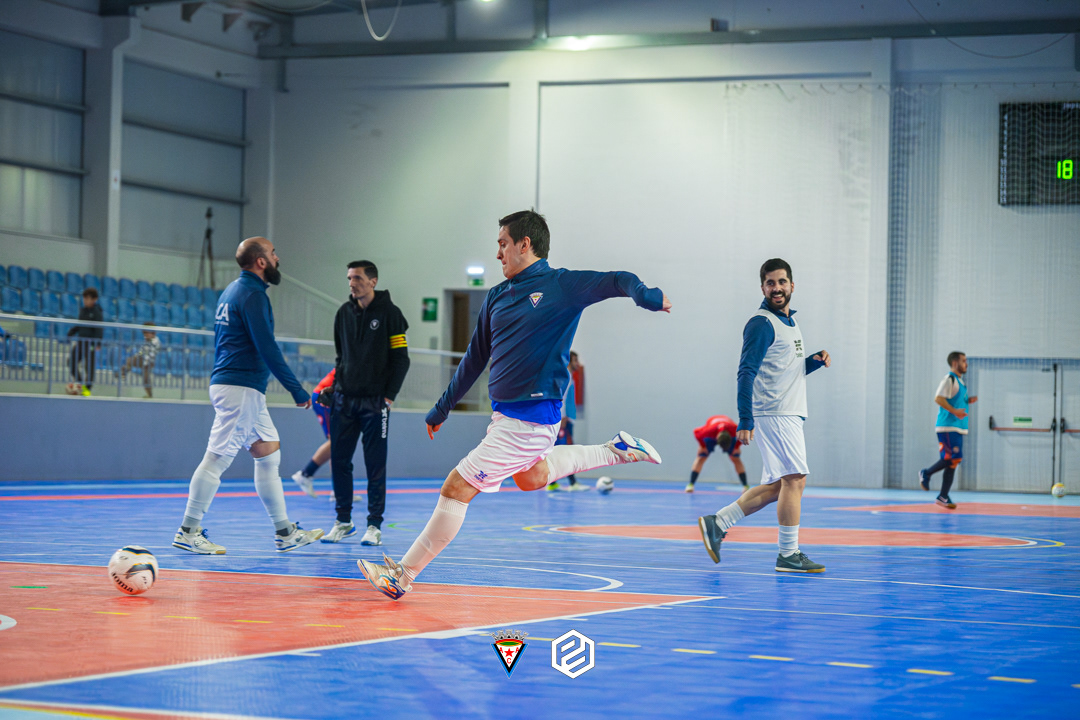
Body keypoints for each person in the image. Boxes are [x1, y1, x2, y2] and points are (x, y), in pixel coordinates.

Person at [356, 210, 671, 600]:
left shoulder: (563, 285)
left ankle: (402, 576)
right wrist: (443, 406)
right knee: (531, 478)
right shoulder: (496, 297)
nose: (498, 253)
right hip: (506, 416)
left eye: (503, 244)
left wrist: (646, 296)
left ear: (525, 244)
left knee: (457, 487)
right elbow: (474, 358)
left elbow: (617, 279)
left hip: (531, 419)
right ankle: (615, 450)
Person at [172, 236, 323, 555]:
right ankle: (188, 531)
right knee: (216, 459)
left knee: (268, 453)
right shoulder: (253, 295)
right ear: (261, 261)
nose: (278, 258)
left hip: (238, 386)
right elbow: (267, 347)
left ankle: (284, 532)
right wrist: (296, 389)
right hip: (240, 389)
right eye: (273, 253)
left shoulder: (231, 291)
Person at [698, 258, 831, 573]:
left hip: (786, 412)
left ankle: (718, 523)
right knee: (795, 479)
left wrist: (812, 362)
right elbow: (746, 372)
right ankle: (788, 554)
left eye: (782, 282)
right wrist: (745, 419)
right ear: (763, 288)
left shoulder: (790, 323)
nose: (777, 288)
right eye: (771, 283)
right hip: (775, 412)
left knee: (778, 486)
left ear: (792, 285)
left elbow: (786, 370)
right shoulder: (761, 323)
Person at [320, 260, 411, 546]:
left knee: (375, 465)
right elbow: (341, 358)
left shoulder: (391, 314)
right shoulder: (343, 313)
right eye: (349, 278)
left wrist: (388, 396)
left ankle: (374, 525)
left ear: (372, 281)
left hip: (375, 403)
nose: (352, 283)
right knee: (339, 462)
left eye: (357, 278)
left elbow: (401, 359)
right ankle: (343, 521)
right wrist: (335, 387)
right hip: (343, 402)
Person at [918, 351, 977, 509]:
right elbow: (938, 398)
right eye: (964, 361)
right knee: (952, 457)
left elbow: (955, 401)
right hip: (947, 426)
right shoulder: (949, 379)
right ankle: (926, 473)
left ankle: (943, 496)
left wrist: (967, 401)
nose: (966, 364)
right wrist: (955, 411)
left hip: (958, 427)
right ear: (955, 363)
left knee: (953, 461)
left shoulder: (960, 382)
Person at [290, 368, 336, 499]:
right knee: (336, 442)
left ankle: (338, 490)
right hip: (326, 396)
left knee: (339, 443)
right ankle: (305, 474)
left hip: (335, 398)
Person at [547, 351, 586, 492]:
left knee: (564, 451)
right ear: (569, 361)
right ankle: (570, 483)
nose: (578, 364)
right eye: (575, 360)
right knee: (566, 451)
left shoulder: (570, 377)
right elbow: (561, 398)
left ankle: (555, 482)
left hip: (568, 419)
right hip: (564, 420)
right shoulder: (566, 377)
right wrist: (562, 417)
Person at [685, 414, 747, 493]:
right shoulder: (708, 431)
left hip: (728, 433)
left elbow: (743, 435)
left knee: (735, 457)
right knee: (701, 456)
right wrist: (703, 445)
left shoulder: (734, 430)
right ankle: (691, 484)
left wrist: (736, 447)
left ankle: (745, 486)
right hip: (712, 433)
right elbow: (696, 432)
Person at [66, 287, 103, 397]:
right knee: (71, 362)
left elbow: (99, 328)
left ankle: (87, 391)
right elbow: (80, 324)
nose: (85, 301)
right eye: (84, 298)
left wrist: (98, 343)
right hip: (80, 342)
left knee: (89, 367)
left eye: (88, 298)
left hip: (90, 343)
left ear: (94, 299)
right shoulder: (83, 311)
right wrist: (72, 332)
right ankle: (80, 383)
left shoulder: (97, 312)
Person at [121, 322, 161, 398]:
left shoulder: (156, 341)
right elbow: (142, 350)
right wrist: (137, 355)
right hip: (142, 359)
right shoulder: (146, 340)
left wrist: (143, 354)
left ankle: (149, 395)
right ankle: (124, 372)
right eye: (144, 333)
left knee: (146, 379)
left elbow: (152, 352)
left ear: (153, 332)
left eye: (147, 333)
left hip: (149, 363)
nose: (145, 335)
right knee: (129, 360)